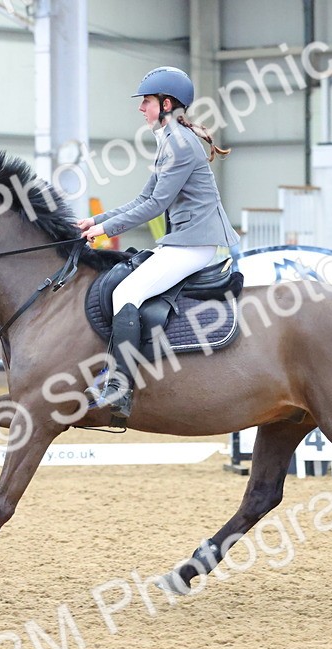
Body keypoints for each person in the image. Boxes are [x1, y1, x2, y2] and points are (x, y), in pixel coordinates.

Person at [76, 66, 239, 419]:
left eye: (146, 101)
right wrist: (96, 221)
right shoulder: (170, 139)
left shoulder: (179, 144)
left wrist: (103, 233)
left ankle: (119, 387)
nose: (141, 109)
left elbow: (155, 206)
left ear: (166, 104)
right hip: (182, 240)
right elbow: (143, 198)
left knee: (125, 293)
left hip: (194, 243)